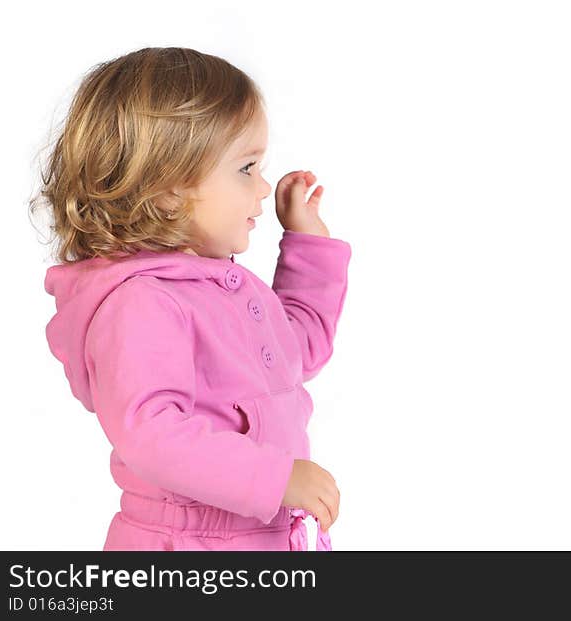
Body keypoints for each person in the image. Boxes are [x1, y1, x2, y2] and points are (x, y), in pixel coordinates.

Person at [35, 47, 349, 551]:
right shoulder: (141, 304)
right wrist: (276, 478)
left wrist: (308, 246)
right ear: (168, 191)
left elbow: (297, 352)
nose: (264, 186)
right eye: (246, 167)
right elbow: (151, 434)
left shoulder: (225, 287)